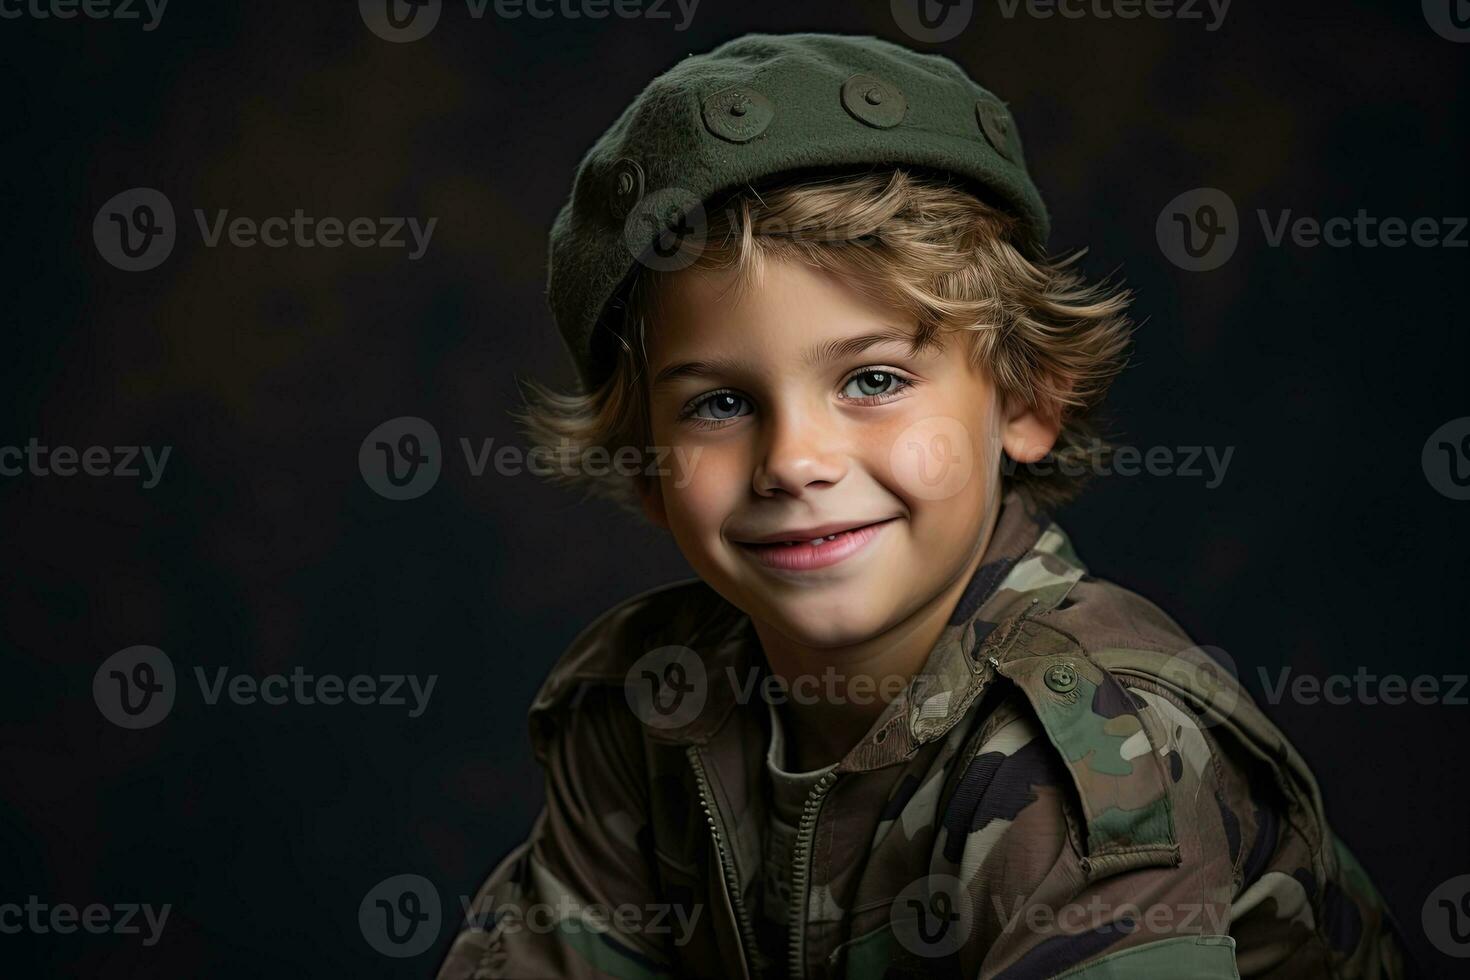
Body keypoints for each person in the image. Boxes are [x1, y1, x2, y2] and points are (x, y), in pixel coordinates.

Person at [437, 32, 1406, 979]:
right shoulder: (650, 712)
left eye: (872, 379)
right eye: (721, 403)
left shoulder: (1090, 750)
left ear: (1025, 400)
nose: (796, 460)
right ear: (647, 467)